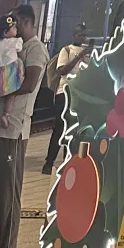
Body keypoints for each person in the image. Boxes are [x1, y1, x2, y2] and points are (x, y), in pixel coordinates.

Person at [0, 2, 48, 248]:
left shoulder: (34, 48)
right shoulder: (6, 46)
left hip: (12, 130)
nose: (13, 26)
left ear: (27, 22)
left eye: (16, 21)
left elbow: (28, 84)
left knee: (7, 200)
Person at [43, 24, 90, 173]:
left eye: (84, 35)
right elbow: (62, 70)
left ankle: (67, 161)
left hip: (79, 94)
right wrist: (79, 56)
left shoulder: (87, 53)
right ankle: (49, 162)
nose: (82, 38)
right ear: (74, 35)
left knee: (74, 129)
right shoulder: (67, 50)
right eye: (80, 35)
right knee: (60, 127)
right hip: (64, 92)